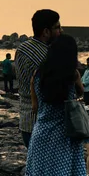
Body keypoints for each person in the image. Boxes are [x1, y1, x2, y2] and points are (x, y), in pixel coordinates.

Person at [25, 34, 85, 176]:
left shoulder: (38, 75)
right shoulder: (72, 75)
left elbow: (35, 107)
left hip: (41, 132)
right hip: (65, 134)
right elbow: (81, 92)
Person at [15, 9, 61, 148]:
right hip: (43, 124)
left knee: (34, 166)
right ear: (46, 32)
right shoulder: (47, 56)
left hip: (26, 120)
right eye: (57, 27)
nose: (61, 31)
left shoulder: (22, 48)